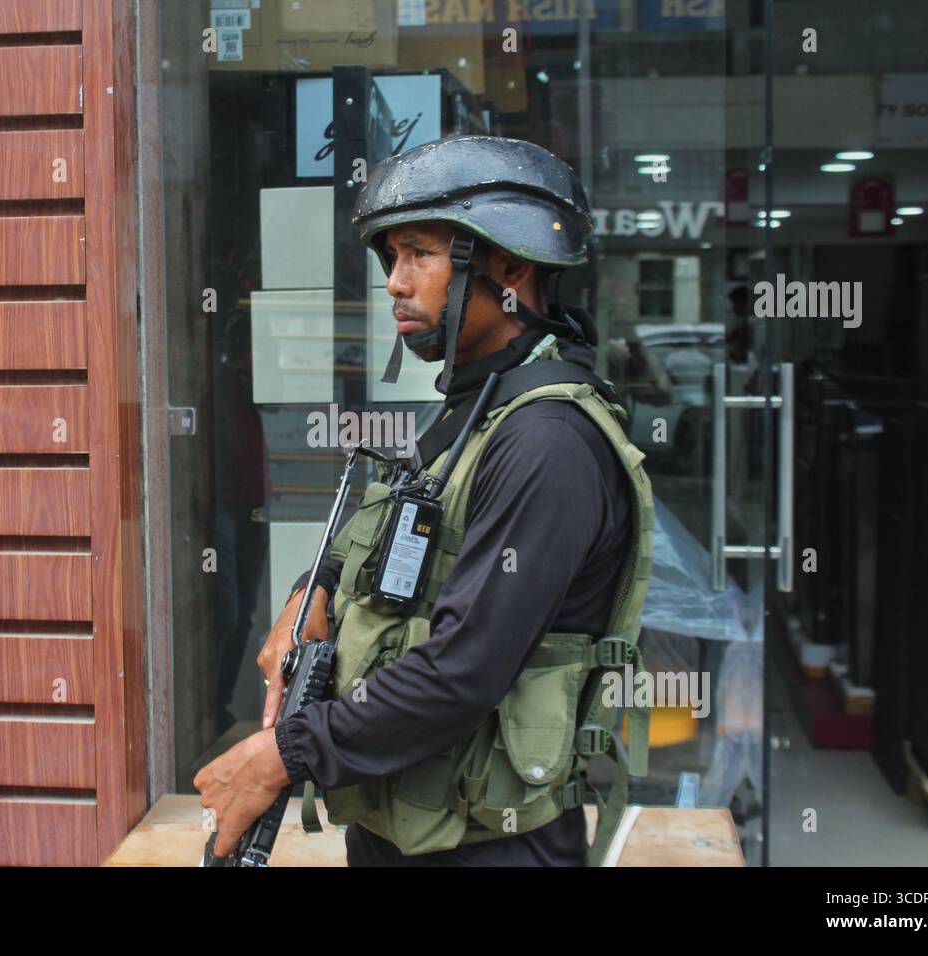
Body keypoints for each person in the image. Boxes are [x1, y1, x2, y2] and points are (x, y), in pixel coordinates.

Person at [194, 135, 655, 867]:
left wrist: (283, 754)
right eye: (390, 258)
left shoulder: (547, 444)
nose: (395, 284)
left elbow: (464, 669)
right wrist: (308, 594)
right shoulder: (472, 414)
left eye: (419, 253)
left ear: (509, 264)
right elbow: (385, 540)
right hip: (406, 826)